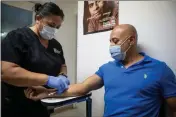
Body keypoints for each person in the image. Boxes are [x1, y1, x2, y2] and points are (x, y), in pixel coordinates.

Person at [25, 24, 176, 117]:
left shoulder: (159, 69)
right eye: (110, 41)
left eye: (115, 41)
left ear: (131, 40)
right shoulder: (107, 68)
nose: (111, 45)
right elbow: (81, 88)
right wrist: (47, 91)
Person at [1, 2, 70, 117]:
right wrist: (47, 79)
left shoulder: (56, 45)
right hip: (18, 105)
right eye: (51, 25)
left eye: (57, 27)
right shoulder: (17, 37)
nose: (54, 30)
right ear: (38, 18)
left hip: (45, 102)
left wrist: (63, 75)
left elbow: (62, 65)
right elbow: (6, 71)